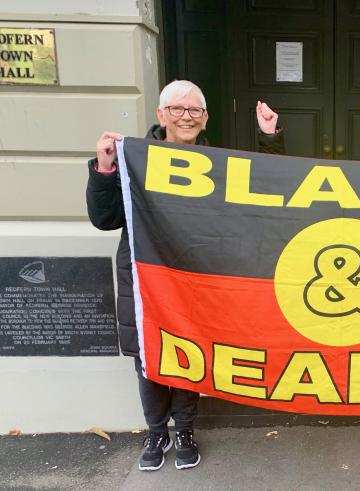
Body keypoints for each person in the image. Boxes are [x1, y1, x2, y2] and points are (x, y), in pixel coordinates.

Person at [86, 80, 285, 471]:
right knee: (151, 357)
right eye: (177, 109)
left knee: (190, 354)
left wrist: (268, 138)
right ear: (161, 116)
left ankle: (185, 431)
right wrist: (106, 167)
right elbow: (104, 218)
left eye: (194, 110)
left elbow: (268, 189)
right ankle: (156, 431)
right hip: (146, 278)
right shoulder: (132, 160)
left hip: (196, 280)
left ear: (205, 117)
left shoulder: (218, 164)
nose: (186, 117)